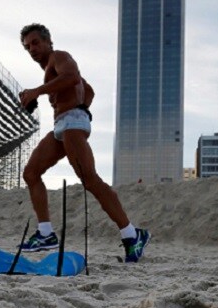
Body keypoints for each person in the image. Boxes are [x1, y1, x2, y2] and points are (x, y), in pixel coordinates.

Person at [18, 23, 150, 262]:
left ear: (48, 41)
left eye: (36, 43)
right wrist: (80, 105)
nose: (32, 49)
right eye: (27, 46)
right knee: (31, 173)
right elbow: (88, 89)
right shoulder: (49, 68)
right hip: (63, 124)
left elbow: (73, 77)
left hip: (72, 123)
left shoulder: (60, 57)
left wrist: (41, 93)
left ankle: (132, 234)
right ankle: (45, 233)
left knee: (90, 179)